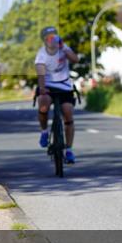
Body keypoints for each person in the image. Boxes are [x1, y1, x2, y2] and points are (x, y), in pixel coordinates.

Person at [35, 26, 78, 164]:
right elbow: (40, 72)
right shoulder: (41, 54)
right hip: (48, 86)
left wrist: (64, 47)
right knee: (43, 106)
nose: (51, 40)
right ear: (44, 41)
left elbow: (75, 60)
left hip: (65, 87)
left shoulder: (63, 49)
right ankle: (44, 132)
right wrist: (42, 88)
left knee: (68, 113)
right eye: (48, 38)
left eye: (54, 36)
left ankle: (69, 150)